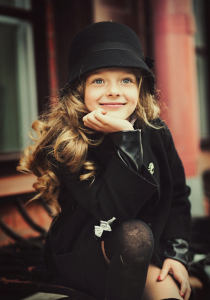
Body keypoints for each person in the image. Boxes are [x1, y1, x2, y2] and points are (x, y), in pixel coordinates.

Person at [17, 21, 192, 300]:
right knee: (135, 234)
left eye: (126, 80)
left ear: (140, 88)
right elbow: (114, 210)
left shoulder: (156, 132)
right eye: (99, 80)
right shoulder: (66, 140)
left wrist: (177, 254)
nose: (113, 91)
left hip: (145, 249)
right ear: (79, 90)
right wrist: (127, 139)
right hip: (88, 252)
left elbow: (178, 197)